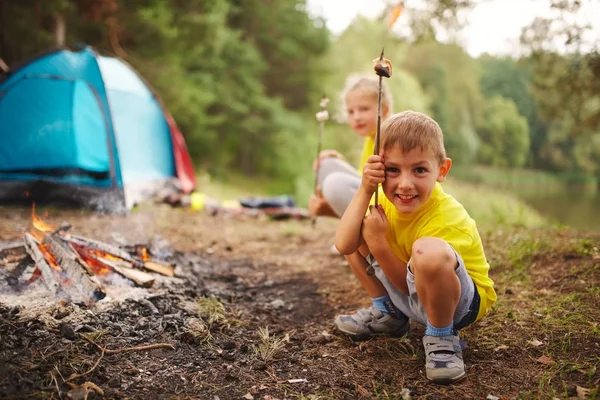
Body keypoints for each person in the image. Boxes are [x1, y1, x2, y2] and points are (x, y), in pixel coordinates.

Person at [334, 110, 497, 384]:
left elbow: (407, 286)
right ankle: (389, 314)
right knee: (355, 228)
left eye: (419, 170)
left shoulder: (448, 217)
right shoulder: (383, 199)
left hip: (457, 305)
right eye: (393, 170)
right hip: (410, 294)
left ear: (441, 170)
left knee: (427, 252)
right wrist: (364, 190)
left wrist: (379, 244)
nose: (405, 184)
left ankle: (442, 337)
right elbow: (344, 244)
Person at [308, 75, 392, 220]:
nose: (356, 117)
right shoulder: (371, 138)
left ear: (384, 110)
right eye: (351, 112)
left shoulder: (390, 137)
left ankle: (362, 237)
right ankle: (354, 231)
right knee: (326, 165)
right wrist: (339, 160)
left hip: (388, 209)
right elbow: (363, 179)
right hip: (371, 199)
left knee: (334, 184)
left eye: (364, 109)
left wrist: (330, 210)